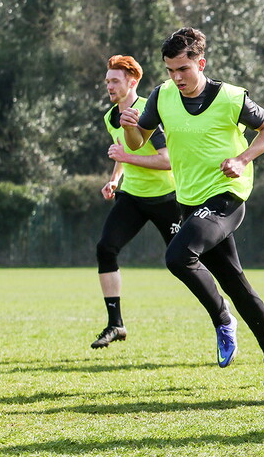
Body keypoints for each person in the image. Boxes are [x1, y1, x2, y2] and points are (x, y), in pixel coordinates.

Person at [120, 27, 264, 387]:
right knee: (234, 282)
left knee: (177, 256)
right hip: (190, 200)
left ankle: (222, 319)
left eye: (183, 69)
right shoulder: (161, 96)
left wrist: (243, 159)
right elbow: (138, 144)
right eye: (169, 70)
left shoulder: (230, 97)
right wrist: (131, 128)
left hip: (227, 195)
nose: (176, 77)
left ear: (202, 63)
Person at [91, 55, 181, 349]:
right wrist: (115, 178)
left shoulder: (147, 113)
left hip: (167, 200)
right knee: (105, 247)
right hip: (132, 197)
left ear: (132, 82)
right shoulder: (110, 116)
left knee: (185, 263)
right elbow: (122, 151)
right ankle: (115, 324)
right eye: (107, 81)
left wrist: (125, 159)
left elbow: (166, 161)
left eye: (115, 81)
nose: (109, 86)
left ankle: (222, 317)